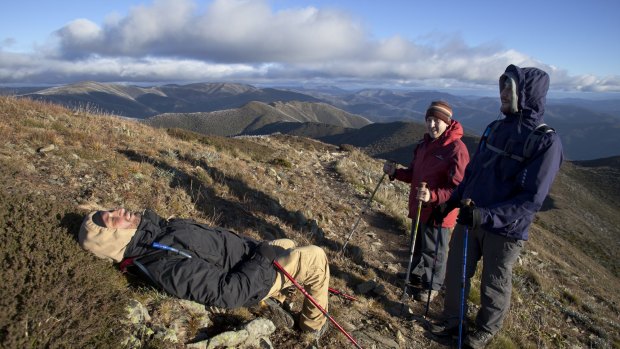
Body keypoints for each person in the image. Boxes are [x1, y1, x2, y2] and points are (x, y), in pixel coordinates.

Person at [429, 64, 563, 348]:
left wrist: (484, 215)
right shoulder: (495, 128)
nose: (503, 93)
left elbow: (531, 199)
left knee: (495, 283)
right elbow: (473, 174)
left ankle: (484, 332)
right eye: (502, 86)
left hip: (505, 230)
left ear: (526, 94)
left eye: (509, 88)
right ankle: (453, 320)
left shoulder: (546, 141)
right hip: (470, 216)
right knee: (456, 273)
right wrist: (450, 202)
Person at [78, 207, 330, 337]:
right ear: (116, 238)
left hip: (249, 257)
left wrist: (255, 251)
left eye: (110, 211)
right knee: (316, 258)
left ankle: (280, 299)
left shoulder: (154, 236)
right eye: (112, 219)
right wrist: (261, 259)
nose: (118, 211)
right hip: (255, 276)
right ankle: (312, 327)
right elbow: (228, 294)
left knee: (286, 244)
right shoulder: (163, 264)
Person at [383, 100, 469, 301]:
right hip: (419, 207)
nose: (431, 125)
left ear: (447, 122)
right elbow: (414, 173)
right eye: (428, 120)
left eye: (436, 120)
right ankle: (414, 276)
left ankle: (432, 287)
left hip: (439, 212)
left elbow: (459, 187)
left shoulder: (457, 149)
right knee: (417, 244)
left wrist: (433, 196)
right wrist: (395, 173)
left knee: (435, 252)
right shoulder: (424, 145)